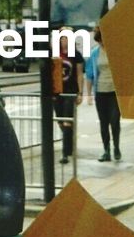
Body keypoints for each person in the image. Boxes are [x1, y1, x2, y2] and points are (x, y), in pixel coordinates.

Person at [84, 27, 122, 162]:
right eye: (98, 41)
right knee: (104, 123)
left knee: (115, 120)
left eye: (102, 40)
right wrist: (88, 95)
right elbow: (89, 75)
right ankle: (106, 150)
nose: (101, 43)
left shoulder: (116, 52)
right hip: (101, 92)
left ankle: (117, 147)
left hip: (115, 92)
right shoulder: (94, 53)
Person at [50, 22, 84, 166]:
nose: (65, 40)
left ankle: (65, 153)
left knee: (66, 121)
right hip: (57, 92)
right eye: (63, 37)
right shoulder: (54, 54)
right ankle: (69, 145)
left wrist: (80, 92)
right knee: (60, 121)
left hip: (70, 92)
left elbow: (79, 74)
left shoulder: (75, 55)